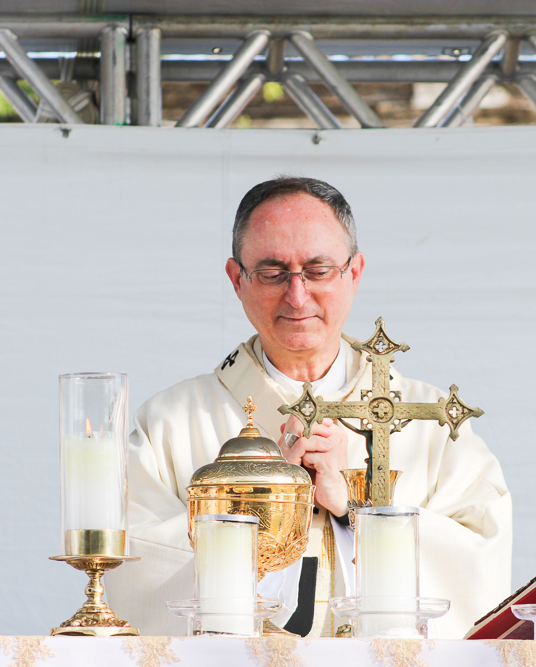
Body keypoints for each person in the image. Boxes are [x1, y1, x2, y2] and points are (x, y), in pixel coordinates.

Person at [105, 177, 513, 638]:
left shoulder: (433, 426)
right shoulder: (170, 424)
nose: (297, 296)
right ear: (237, 279)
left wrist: (357, 511)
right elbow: (135, 574)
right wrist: (266, 513)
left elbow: (480, 564)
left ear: (354, 273)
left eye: (318, 271)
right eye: (272, 272)